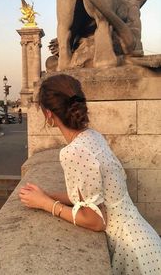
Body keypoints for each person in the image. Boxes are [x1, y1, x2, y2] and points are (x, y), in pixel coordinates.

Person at [19, 74, 161, 275]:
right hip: (142, 237)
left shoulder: (73, 151)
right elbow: (89, 196)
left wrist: (46, 204)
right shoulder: (92, 136)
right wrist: (46, 195)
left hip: (130, 250)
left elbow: (95, 220)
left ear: (48, 115)